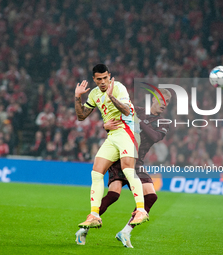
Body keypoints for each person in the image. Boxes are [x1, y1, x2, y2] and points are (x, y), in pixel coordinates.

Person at [76, 88, 172, 247]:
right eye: (162, 100)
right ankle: (85, 228)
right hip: (121, 156)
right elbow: (113, 121)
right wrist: (105, 125)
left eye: (167, 102)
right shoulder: (134, 110)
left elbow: (155, 137)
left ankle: (125, 231)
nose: (164, 104)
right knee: (114, 194)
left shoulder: (163, 121)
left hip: (137, 161)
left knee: (151, 196)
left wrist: (137, 120)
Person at [74, 64, 148, 229]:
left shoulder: (118, 88)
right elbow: (81, 116)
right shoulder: (93, 94)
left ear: (109, 76)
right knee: (96, 172)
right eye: (99, 79)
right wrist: (78, 97)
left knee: (128, 169)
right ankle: (94, 215)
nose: (102, 82)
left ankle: (141, 210)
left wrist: (111, 97)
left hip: (128, 131)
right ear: (94, 79)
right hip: (113, 136)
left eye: (105, 78)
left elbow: (127, 111)